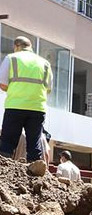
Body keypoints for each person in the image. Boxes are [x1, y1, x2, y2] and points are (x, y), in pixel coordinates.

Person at [0, 36, 53, 164]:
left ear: (17, 46)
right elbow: (48, 88)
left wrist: (15, 90)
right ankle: (35, 171)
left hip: (15, 106)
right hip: (37, 108)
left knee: (7, 142)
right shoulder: (45, 63)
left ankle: (3, 170)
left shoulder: (11, 58)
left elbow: (2, 83)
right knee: (34, 143)